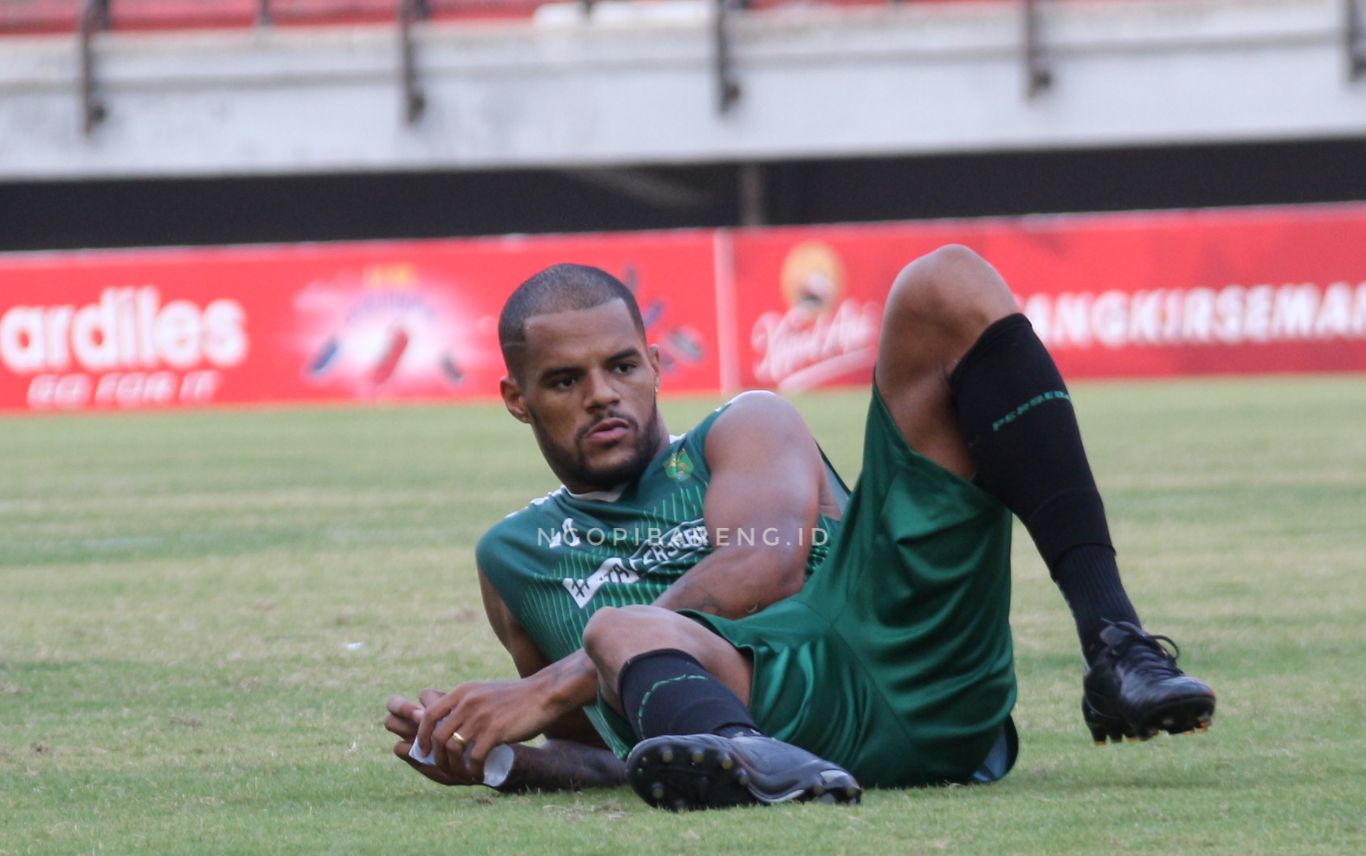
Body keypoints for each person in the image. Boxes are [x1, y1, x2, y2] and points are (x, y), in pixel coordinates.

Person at [385, 248, 1215, 805]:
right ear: (516, 399)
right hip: (769, 714)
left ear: (655, 364)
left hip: (894, 635)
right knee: (623, 631)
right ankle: (763, 764)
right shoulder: (512, 560)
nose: (603, 394)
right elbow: (625, 746)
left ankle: (1118, 646)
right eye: (565, 380)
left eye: (622, 366)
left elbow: (763, 570)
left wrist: (537, 689)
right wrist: (496, 757)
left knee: (946, 281)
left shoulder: (744, 426)